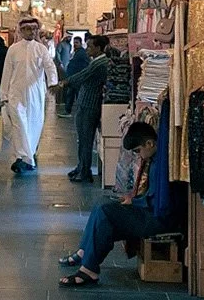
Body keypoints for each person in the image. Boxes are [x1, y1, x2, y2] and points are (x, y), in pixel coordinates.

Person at [58, 120, 179, 286]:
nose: (139, 155)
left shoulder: (161, 165)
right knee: (101, 206)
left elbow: (157, 201)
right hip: (151, 211)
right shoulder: (157, 160)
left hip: (157, 218)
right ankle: (84, 252)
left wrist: (134, 201)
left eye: (138, 150)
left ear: (150, 143)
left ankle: (89, 268)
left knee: (106, 212)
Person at [0, 15, 59, 175]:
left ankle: (25, 157)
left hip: (36, 94)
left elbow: (50, 67)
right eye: (27, 29)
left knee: (34, 125)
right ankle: (26, 158)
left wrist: (53, 82)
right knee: (19, 125)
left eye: (34, 29)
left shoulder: (41, 49)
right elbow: (6, 74)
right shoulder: (13, 50)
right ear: (21, 31)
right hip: (15, 94)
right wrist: (3, 96)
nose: (31, 32)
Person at [63, 33, 109, 183]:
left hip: (89, 105)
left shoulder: (99, 63)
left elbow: (83, 75)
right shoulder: (96, 61)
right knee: (82, 139)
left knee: (85, 139)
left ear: (99, 48)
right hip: (86, 103)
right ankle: (81, 167)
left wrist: (64, 83)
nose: (87, 49)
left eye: (90, 46)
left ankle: (84, 171)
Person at [62, 34, 90, 115]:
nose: (75, 44)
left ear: (81, 43)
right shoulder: (76, 52)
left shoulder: (81, 53)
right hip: (73, 77)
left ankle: (73, 111)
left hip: (77, 77)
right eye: (74, 42)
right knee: (71, 94)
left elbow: (84, 65)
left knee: (75, 94)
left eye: (77, 42)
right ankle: (70, 111)